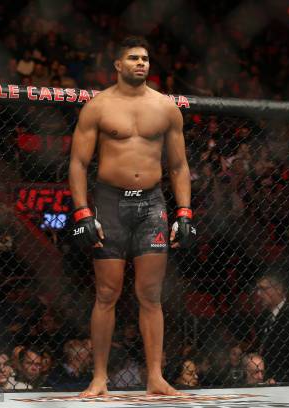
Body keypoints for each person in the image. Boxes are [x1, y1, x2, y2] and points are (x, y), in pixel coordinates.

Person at [68, 35, 195, 397]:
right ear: (118, 65)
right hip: (109, 204)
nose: (141, 63)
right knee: (107, 292)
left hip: (152, 205)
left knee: (151, 294)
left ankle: (155, 377)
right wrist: (82, 212)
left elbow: (179, 165)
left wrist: (184, 211)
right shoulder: (98, 107)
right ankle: (99, 378)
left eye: (145, 58)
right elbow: (78, 163)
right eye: (133, 58)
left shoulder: (167, 108)